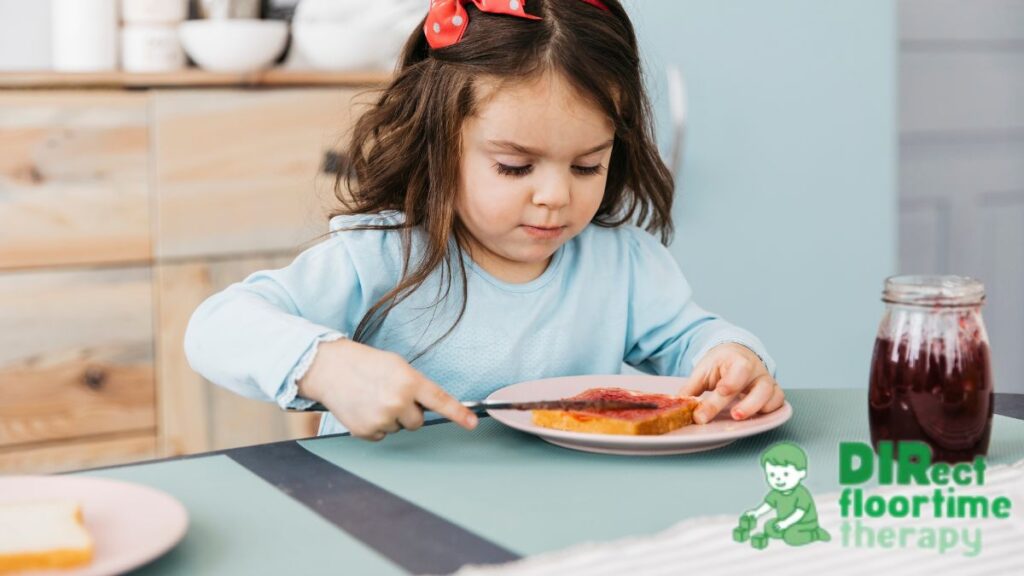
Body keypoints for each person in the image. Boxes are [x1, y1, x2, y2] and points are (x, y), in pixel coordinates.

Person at [184, 0, 784, 441]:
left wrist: (733, 357)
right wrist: (326, 365)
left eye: (586, 165)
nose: (554, 196)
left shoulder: (621, 264)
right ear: (438, 144)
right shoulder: (380, 257)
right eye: (515, 167)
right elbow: (215, 326)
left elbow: (692, 342)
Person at [736, 442, 831, 548]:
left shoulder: (801, 494)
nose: (778, 479)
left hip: (804, 524)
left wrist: (785, 523)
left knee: (791, 537)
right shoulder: (776, 493)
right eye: (772, 474)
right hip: (784, 521)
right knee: (768, 526)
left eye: (785, 474)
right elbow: (768, 505)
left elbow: (799, 513)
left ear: (801, 474)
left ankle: (815, 533)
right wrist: (756, 512)